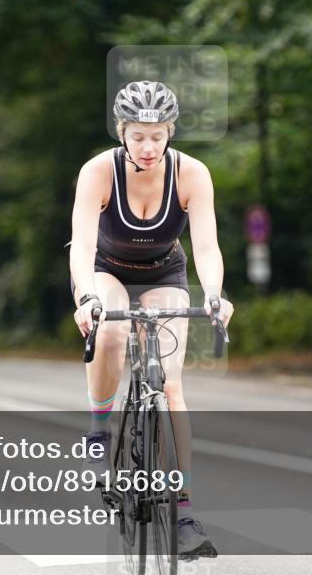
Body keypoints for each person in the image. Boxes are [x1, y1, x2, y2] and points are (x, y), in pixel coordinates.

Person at [69, 81, 233, 559]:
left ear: (170, 132)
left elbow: (206, 247)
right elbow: (82, 244)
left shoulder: (192, 173)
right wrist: (86, 298)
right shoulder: (98, 172)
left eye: (157, 136)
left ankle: (182, 512)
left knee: (173, 388)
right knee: (112, 331)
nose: (147, 146)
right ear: (121, 132)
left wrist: (215, 295)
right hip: (105, 269)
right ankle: (99, 429)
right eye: (138, 136)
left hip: (164, 272)